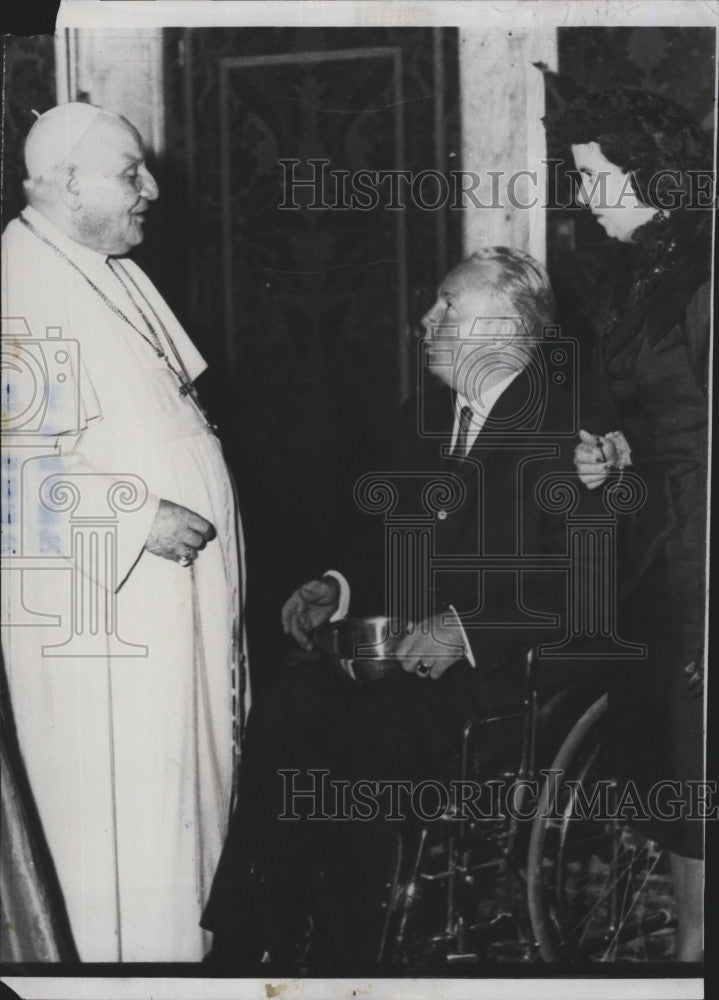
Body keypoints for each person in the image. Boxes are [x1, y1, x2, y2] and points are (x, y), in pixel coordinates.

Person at [202, 247, 575, 972]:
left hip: (508, 681)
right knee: (291, 702)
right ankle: (246, 943)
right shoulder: (421, 419)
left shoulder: (567, 434)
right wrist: (337, 586)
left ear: (502, 329)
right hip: (402, 660)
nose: (423, 321)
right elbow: (386, 547)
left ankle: (349, 960)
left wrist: (465, 630)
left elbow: (585, 587)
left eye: (445, 308)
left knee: (366, 736)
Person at [1, 103, 248, 961]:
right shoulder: (20, 281)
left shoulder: (110, 267)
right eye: (130, 172)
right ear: (68, 182)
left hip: (166, 616)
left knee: (186, 829)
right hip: (106, 626)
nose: (151, 189)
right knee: (129, 846)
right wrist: (135, 514)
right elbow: (10, 473)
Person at [544, 88, 712, 962]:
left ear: (648, 175)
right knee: (682, 782)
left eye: (592, 177)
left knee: (697, 774)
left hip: (703, 561)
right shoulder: (644, 270)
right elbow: (660, 415)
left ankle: (692, 958)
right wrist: (615, 451)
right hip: (662, 550)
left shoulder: (704, 275)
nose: (582, 196)